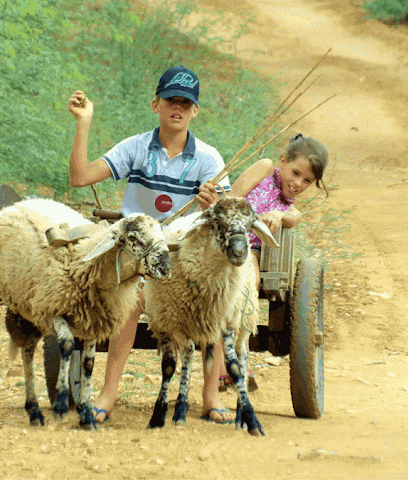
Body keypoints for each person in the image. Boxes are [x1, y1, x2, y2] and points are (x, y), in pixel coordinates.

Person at [67, 66, 235, 424]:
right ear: (155, 103)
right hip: (137, 252)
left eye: (186, 104)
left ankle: (209, 395)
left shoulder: (209, 159)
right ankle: (108, 393)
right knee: (130, 300)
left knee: (215, 304)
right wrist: (84, 122)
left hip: (183, 258)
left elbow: (226, 214)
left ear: (195, 112)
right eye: (171, 101)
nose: (178, 109)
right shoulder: (136, 147)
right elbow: (79, 177)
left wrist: (213, 204)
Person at [198, 133, 329, 390]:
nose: (298, 183)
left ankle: (238, 356)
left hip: (250, 252)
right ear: (282, 161)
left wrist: (278, 215)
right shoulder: (266, 168)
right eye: (295, 173)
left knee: (249, 276)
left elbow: (295, 217)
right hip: (225, 237)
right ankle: (224, 364)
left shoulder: (286, 207)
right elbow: (233, 198)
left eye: (307, 181)